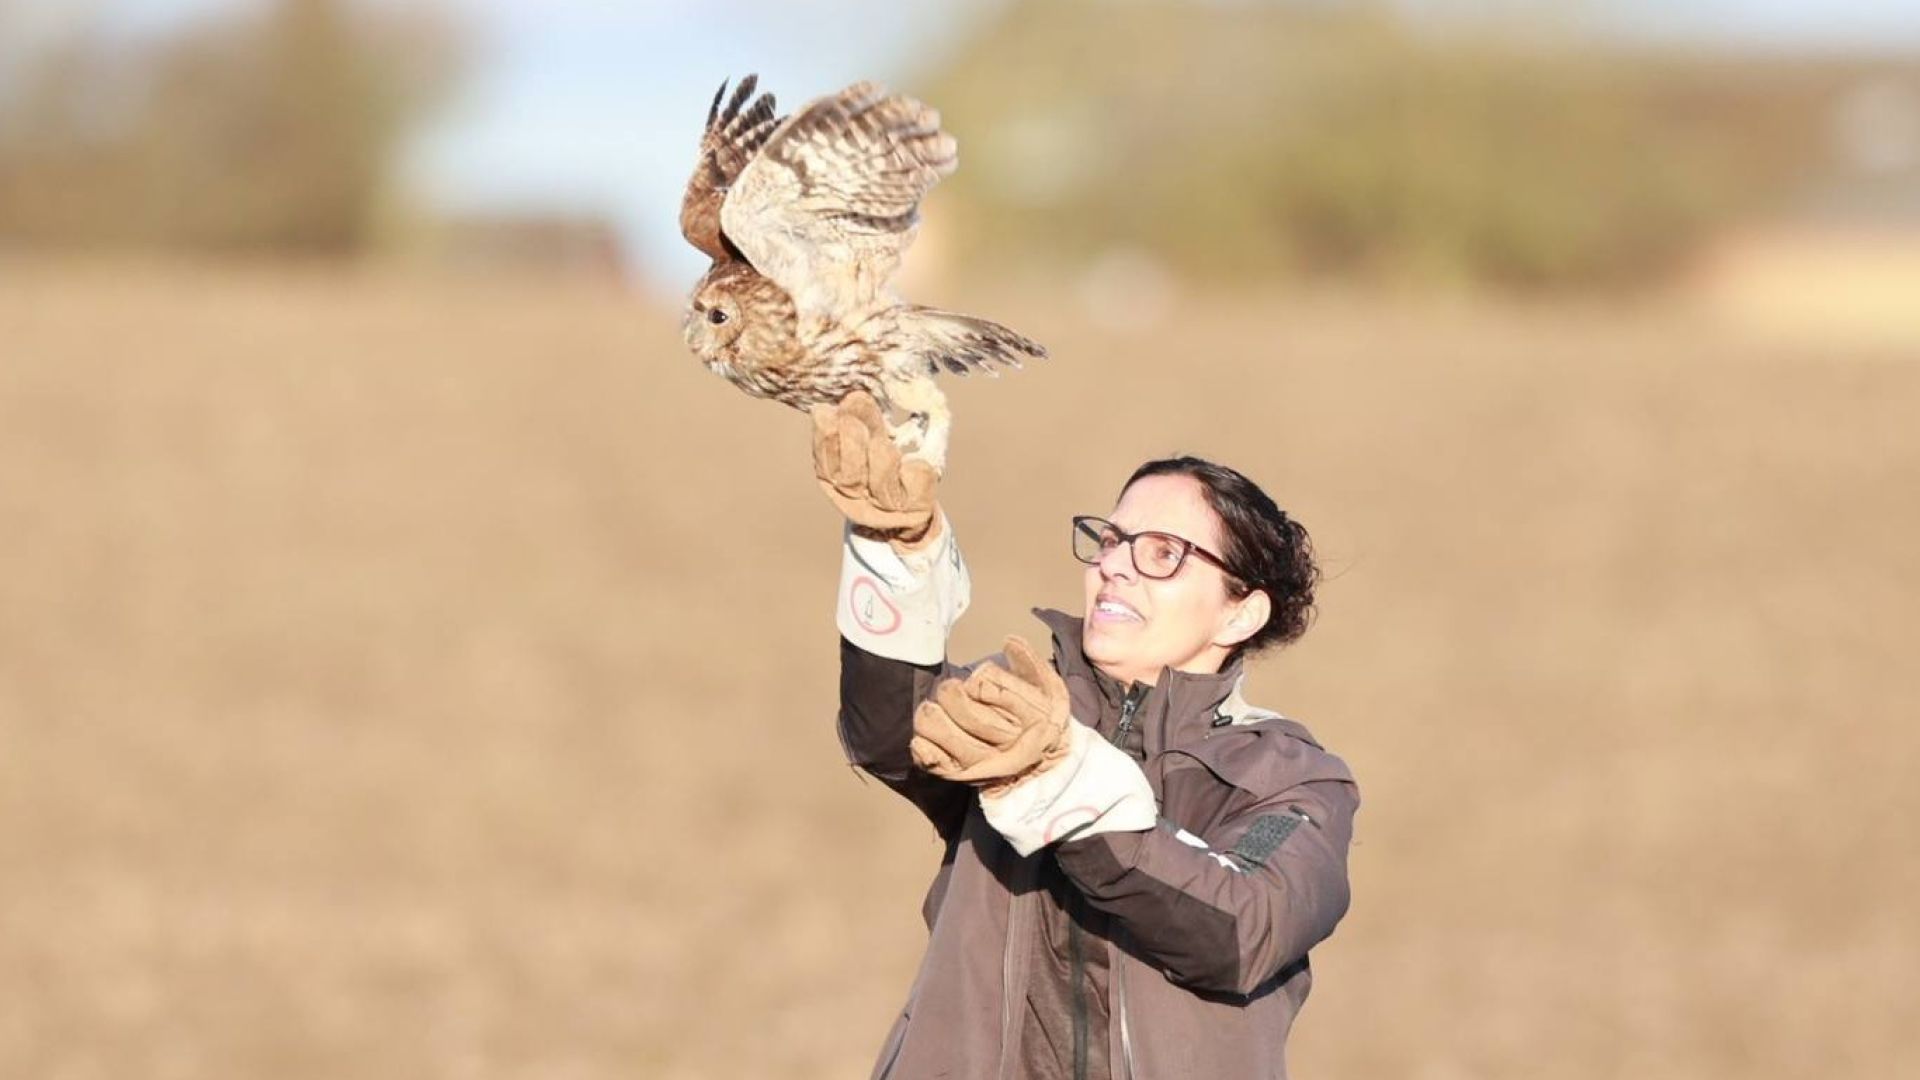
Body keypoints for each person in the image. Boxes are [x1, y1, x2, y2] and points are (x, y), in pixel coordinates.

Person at [813, 392, 1359, 1080]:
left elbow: (1239, 927)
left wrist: (1055, 779)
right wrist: (897, 557)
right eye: (1112, 540)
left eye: (1163, 552)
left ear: (1240, 614)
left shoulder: (1292, 780)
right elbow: (890, 734)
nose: (1116, 565)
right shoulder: (1023, 703)